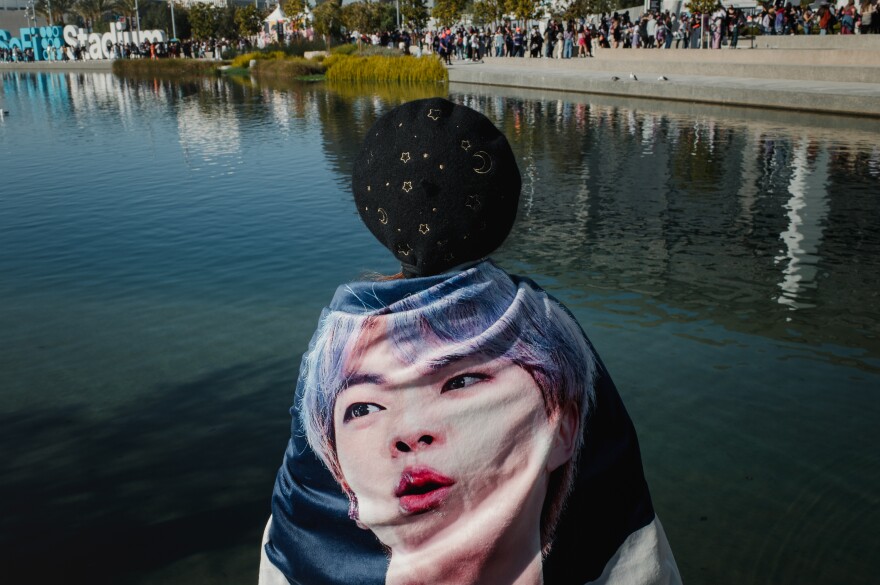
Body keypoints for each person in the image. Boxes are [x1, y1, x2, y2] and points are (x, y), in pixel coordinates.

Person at [259, 98, 681, 585]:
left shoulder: (334, 343)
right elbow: (614, 490)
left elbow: (304, 513)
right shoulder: (548, 327)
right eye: (364, 408)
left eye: (461, 382)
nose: (411, 434)